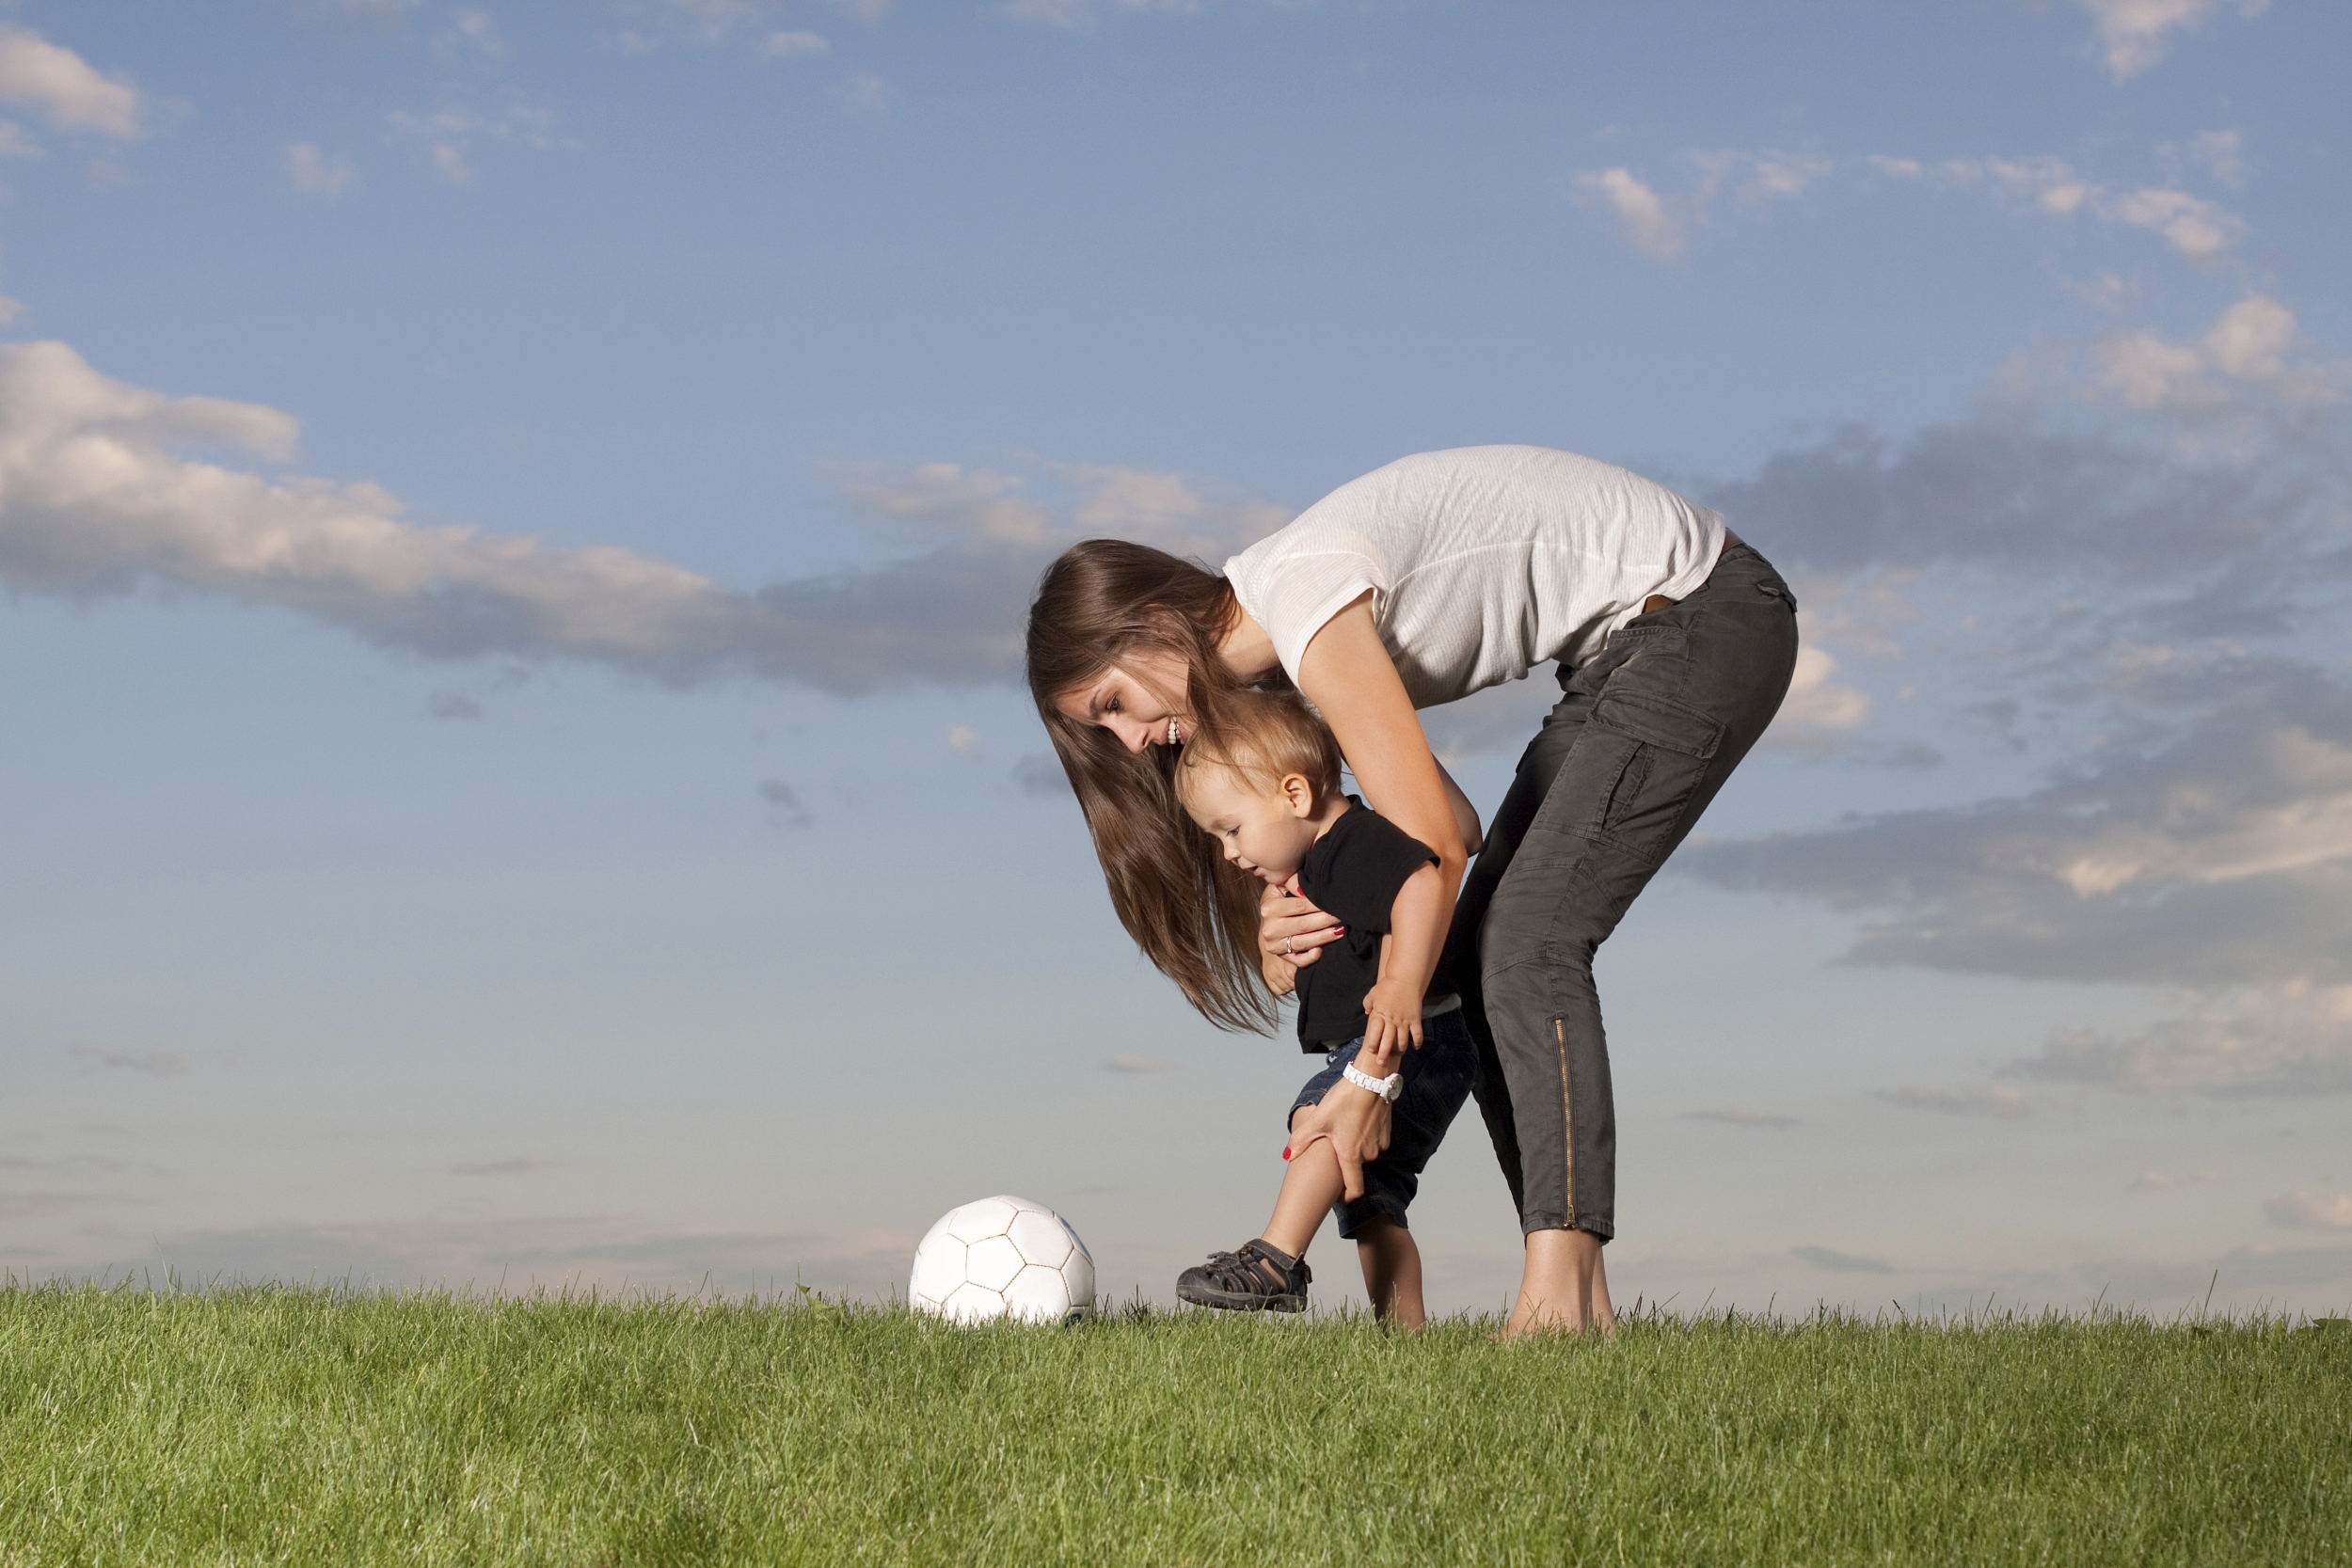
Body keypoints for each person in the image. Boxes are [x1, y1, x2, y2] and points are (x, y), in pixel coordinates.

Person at [1026, 444, 1798, 1336]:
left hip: (1704, 615)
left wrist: (1370, 1069)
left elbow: (1432, 844)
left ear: (1154, 626)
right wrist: (1297, 900)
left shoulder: (1305, 601)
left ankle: (1562, 1300)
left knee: (1526, 943)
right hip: (1623, 653)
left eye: (1115, 703)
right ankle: (1576, 1304)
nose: (1128, 742)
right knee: (1482, 958)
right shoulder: (1284, 659)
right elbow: (1451, 825)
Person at [1163, 687, 1477, 1326]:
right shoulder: (1314, 865)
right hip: (1413, 1044)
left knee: (1318, 1114)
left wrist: (1400, 984)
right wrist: (1279, 962)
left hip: (1409, 1040)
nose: (1229, 851)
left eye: (1232, 827)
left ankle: (1277, 1259)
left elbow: (1423, 880)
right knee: (1372, 1203)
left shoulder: (1349, 843)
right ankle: (1406, 1338)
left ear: (1295, 795)